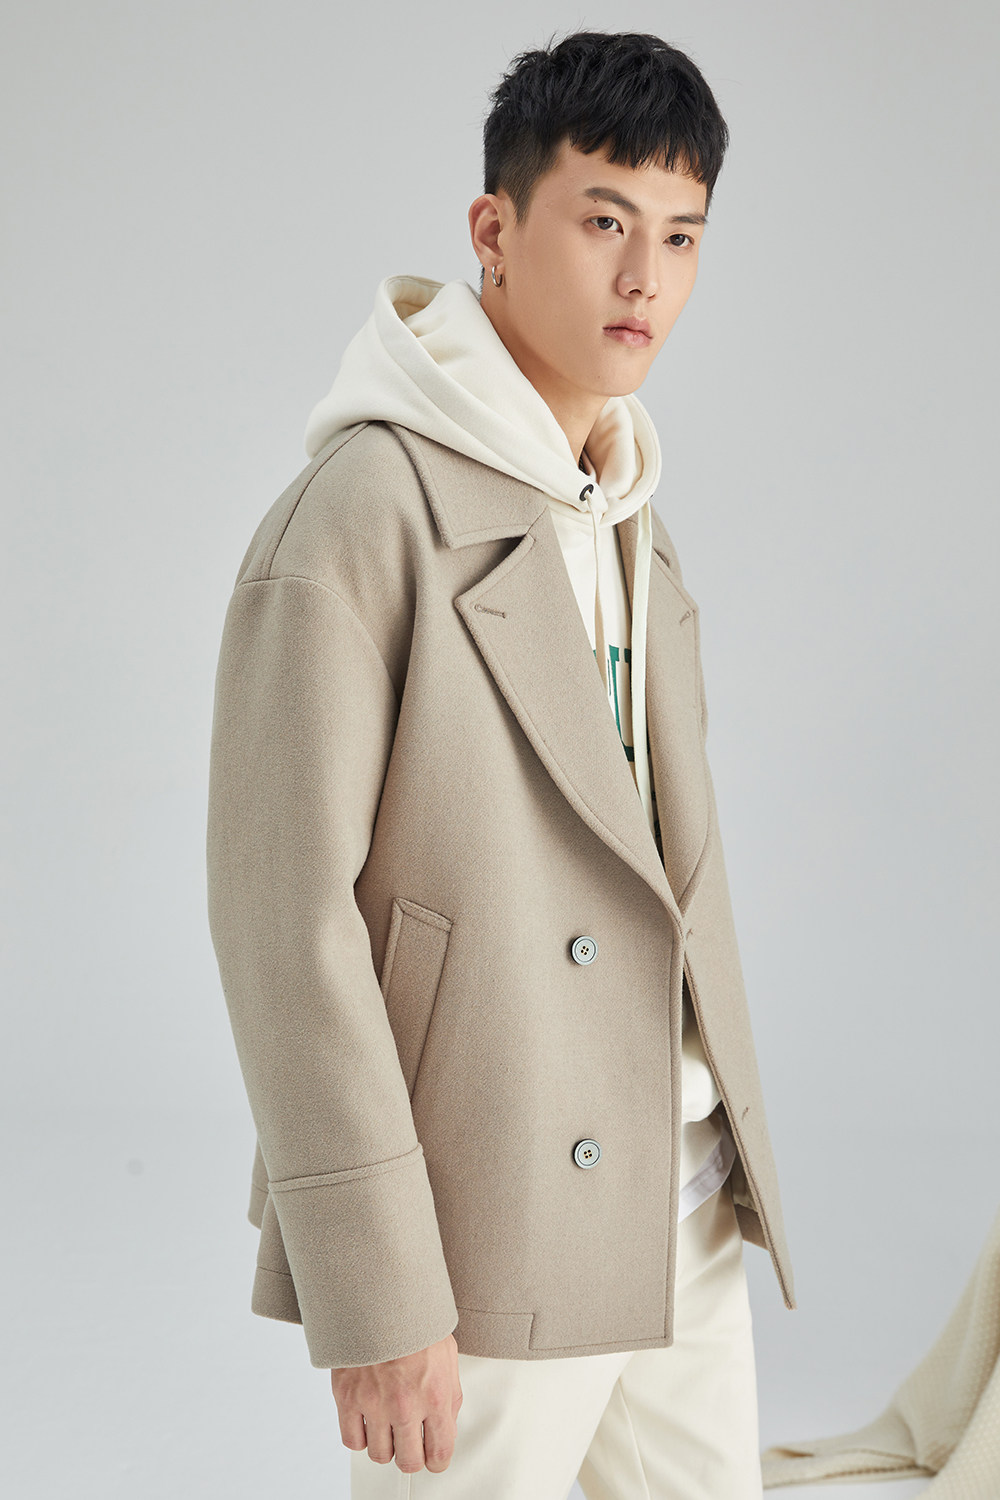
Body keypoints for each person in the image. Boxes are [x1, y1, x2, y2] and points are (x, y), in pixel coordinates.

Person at [206, 28, 796, 1499]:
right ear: (493, 229)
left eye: (680, 237)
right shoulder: (361, 514)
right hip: (486, 1222)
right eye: (603, 222)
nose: (644, 279)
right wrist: (378, 1288)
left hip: (677, 1204)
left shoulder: (630, 509)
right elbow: (284, 923)